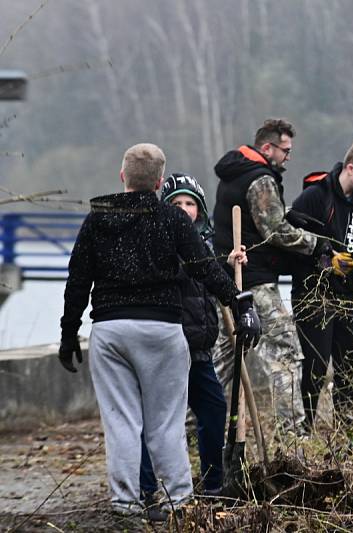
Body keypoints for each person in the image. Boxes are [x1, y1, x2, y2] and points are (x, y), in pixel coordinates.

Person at [58, 144, 261, 519]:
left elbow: (77, 279)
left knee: (121, 423)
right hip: (162, 329)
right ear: (159, 182)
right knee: (165, 422)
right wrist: (239, 302)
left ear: (123, 176)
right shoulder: (172, 219)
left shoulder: (97, 218)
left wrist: (68, 333)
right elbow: (204, 268)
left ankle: (126, 505)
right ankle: (177, 502)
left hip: (110, 329)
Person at [211, 118, 338, 439]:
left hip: (226, 280)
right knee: (285, 352)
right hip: (254, 283)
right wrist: (315, 244)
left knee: (221, 362)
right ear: (267, 148)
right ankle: (292, 436)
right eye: (285, 150)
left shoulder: (233, 175)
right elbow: (275, 230)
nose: (288, 157)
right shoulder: (260, 180)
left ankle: (193, 431)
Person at [138, 173, 246, 505]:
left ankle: (213, 481)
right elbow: (183, 272)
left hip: (198, 346)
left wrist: (226, 267)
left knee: (213, 408)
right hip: (169, 342)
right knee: (157, 416)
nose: (185, 209)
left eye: (190, 204)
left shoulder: (205, 243)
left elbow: (209, 282)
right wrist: (208, 264)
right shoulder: (159, 238)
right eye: (177, 203)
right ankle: (147, 487)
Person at [290, 139, 353, 432]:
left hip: (349, 297)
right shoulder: (314, 196)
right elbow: (292, 242)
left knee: (350, 365)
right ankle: (304, 427)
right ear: (351, 167)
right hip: (314, 296)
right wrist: (325, 261)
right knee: (316, 365)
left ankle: (345, 426)